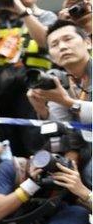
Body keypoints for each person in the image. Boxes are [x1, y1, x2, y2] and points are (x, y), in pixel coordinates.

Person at [0, 0, 57, 157]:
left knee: (37, 142)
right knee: (17, 148)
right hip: (7, 93)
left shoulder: (46, 17)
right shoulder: (2, 22)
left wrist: (22, 11)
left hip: (35, 90)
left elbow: (44, 41)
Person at [27, 20, 92, 187]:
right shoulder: (59, 82)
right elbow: (65, 129)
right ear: (52, 56)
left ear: (88, 42)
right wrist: (42, 111)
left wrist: (67, 102)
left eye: (68, 39)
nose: (62, 47)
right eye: (55, 44)